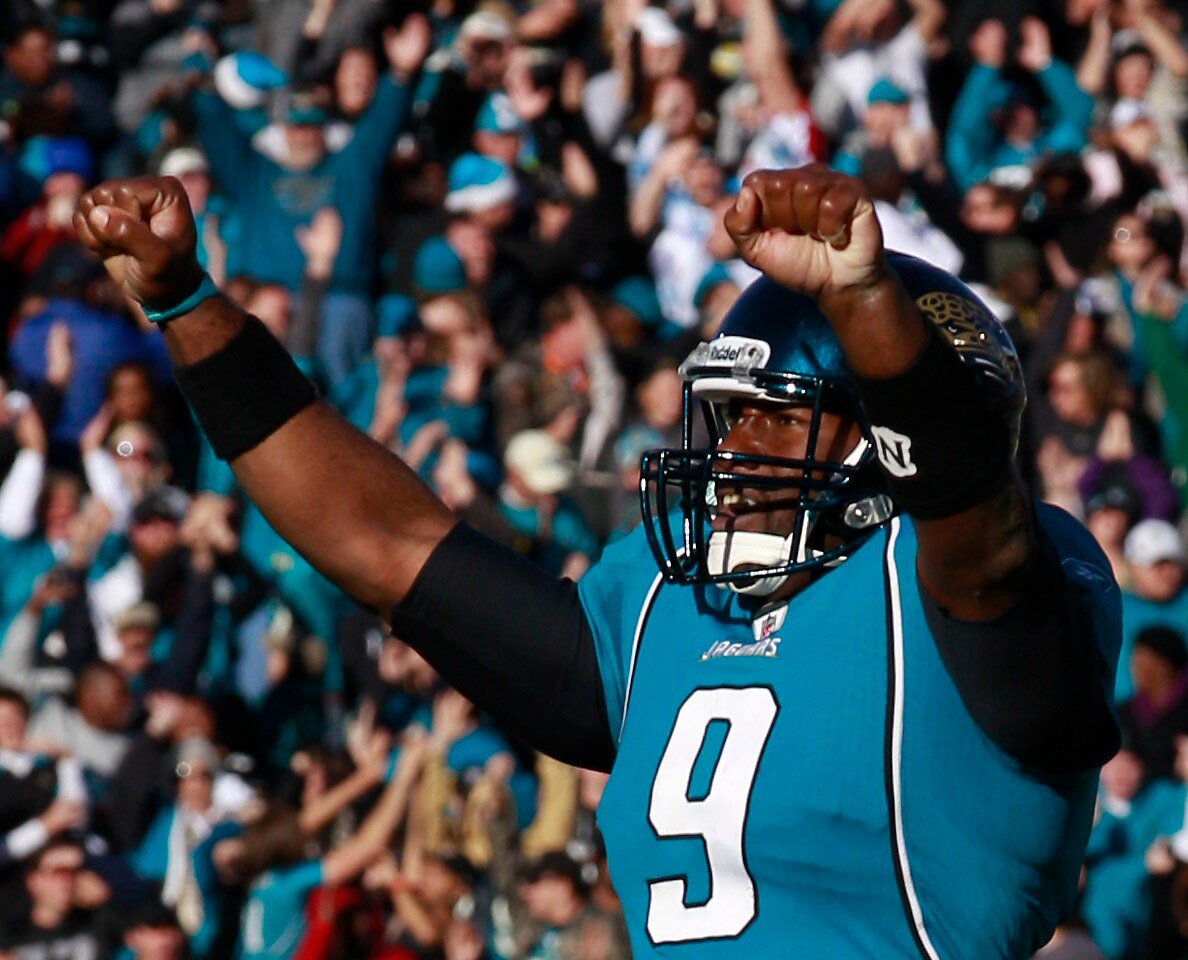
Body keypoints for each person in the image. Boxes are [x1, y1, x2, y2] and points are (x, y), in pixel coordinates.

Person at [74, 165, 1121, 957]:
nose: (732, 459)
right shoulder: (674, 603)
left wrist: (867, 307)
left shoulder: (978, 585)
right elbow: (386, 547)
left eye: (774, 423)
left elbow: (966, 520)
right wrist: (185, 307)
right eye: (729, 421)